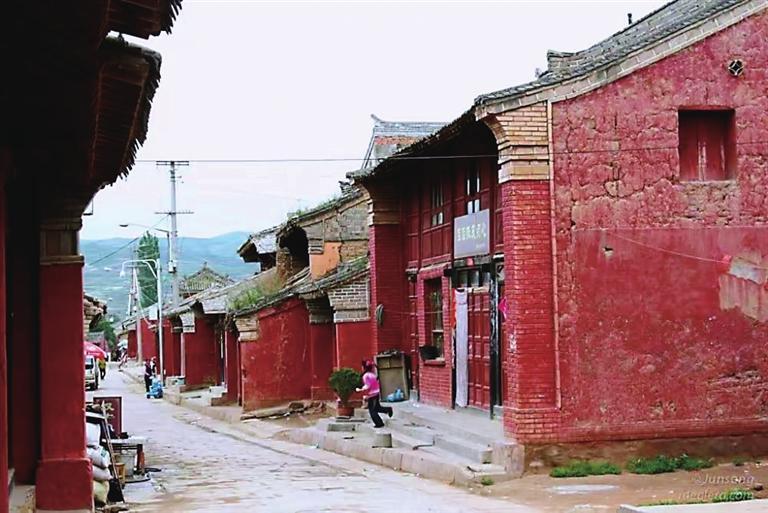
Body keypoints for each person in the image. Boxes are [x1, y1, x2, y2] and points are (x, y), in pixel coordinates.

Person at [356, 360, 393, 428]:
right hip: (376, 393)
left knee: (372, 410)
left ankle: (379, 423)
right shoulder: (372, 374)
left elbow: (368, 386)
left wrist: (360, 389)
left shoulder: (366, 376)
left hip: (372, 394)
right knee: (377, 408)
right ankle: (388, 409)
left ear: (364, 368)